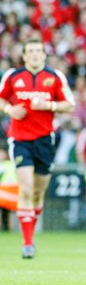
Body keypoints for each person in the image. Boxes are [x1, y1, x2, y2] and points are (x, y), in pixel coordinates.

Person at [0, 39, 76, 259]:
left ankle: (30, 233)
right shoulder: (13, 76)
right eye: (30, 51)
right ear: (24, 56)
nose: (34, 55)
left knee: (38, 191)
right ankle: (27, 242)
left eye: (38, 51)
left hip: (44, 140)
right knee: (25, 187)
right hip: (20, 140)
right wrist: (10, 110)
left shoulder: (54, 77)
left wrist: (49, 105)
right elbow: (1, 100)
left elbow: (69, 104)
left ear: (44, 55)